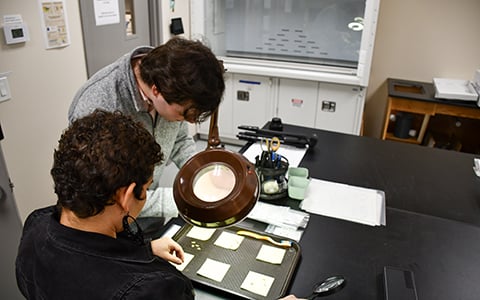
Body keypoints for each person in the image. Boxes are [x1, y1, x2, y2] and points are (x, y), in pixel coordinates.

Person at [16, 110, 194, 299]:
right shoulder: (153, 289)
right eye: (146, 189)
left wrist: (145, 251)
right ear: (125, 196)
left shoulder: (35, 225)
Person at [68, 37, 225, 219]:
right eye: (184, 114)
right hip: (112, 226)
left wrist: (202, 173)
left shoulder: (174, 80)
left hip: (150, 214)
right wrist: (184, 200)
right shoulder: (97, 104)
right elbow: (104, 196)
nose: (188, 122)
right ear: (157, 91)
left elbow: (180, 140)